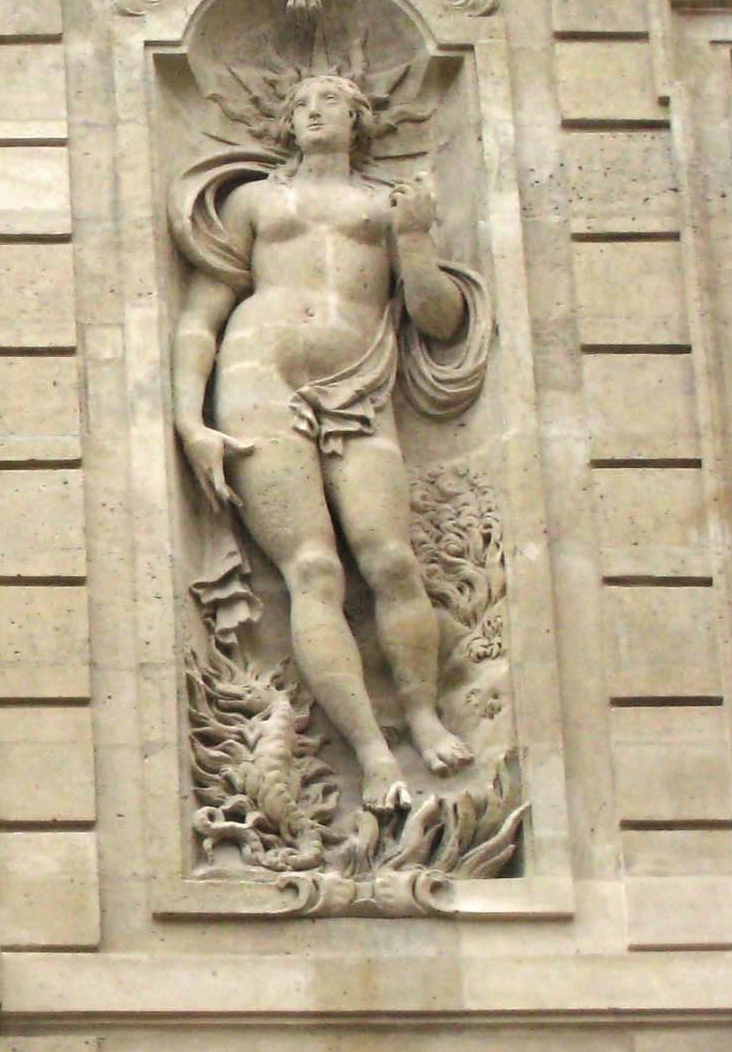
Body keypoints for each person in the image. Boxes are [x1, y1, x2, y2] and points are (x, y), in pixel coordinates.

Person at [170, 70, 492, 814]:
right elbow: (200, 318)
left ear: (359, 120)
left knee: (391, 560)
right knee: (313, 569)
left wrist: (415, 240)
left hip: (361, 384)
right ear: (286, 122)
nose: (314, 112)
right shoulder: (254, 202)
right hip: (259, 377)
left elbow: (439, 319)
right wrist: (191, 421)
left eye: (332, 102)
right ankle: (373, 755)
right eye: (303, 103)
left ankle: (421, 715)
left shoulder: (388, 206)